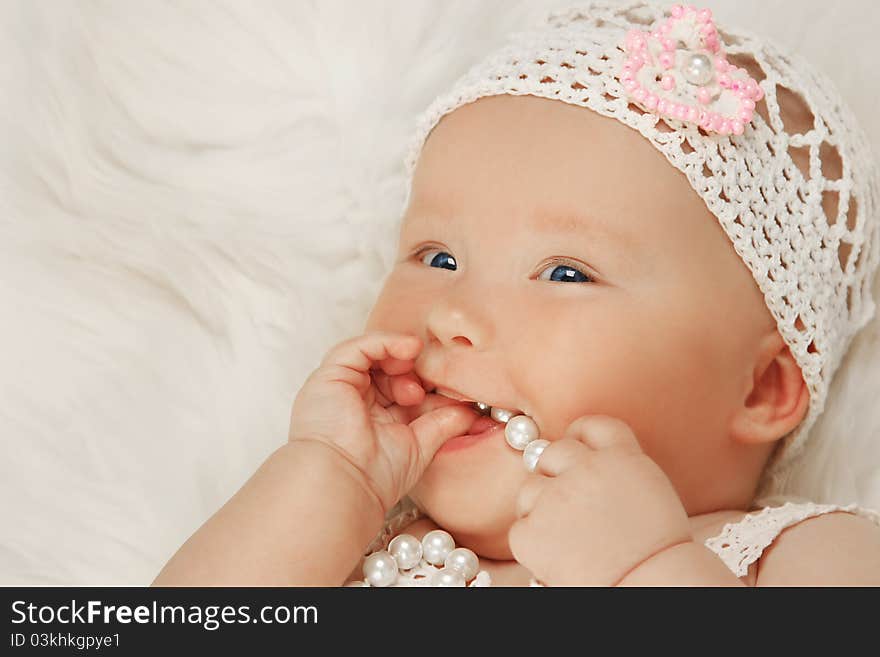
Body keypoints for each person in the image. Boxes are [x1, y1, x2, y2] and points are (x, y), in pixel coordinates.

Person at [152, 2, 880, 587]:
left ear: (760, 388)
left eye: (565, 272)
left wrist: (644, 571)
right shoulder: (349, 550)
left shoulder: (802, 556)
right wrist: (328, 479)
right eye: (436, 256)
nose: (453, 314)